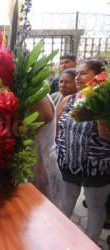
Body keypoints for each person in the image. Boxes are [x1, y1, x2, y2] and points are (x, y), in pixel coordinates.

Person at [56, 59, 110, 243]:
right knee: (66, 200)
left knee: (95, 205)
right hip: (69, 162)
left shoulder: (105, 101)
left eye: (83, 73)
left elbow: (106, 136)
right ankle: (58, 238)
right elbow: (59, 130)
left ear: (99, 76)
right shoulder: (68, 100)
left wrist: (101, 114)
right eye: (77, 73)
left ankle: (91, 243)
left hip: (96, 166)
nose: (77, 77)